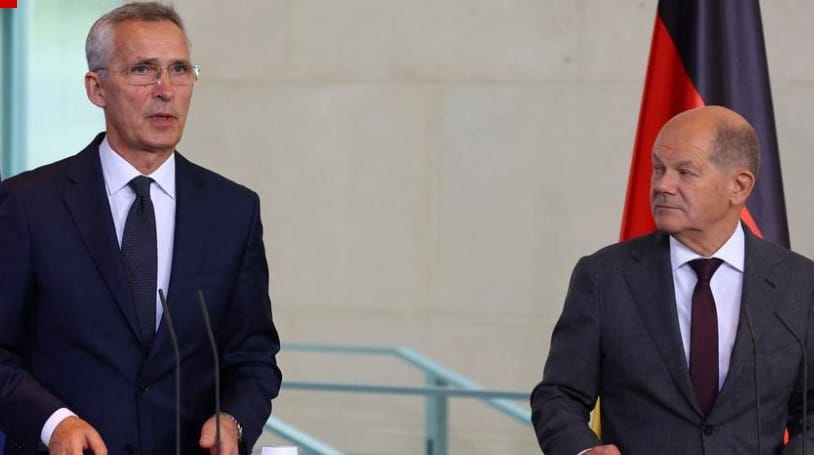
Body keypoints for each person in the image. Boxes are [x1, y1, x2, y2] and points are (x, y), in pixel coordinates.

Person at [0, 3, 281, 454]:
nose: (165, 90)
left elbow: (253, 357)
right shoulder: (29, 204)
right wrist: (54, 424)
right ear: (97, 88)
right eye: (142, 70)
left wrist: (233, 420)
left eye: (179, 69)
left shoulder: (233, 210)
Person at [530, 105, 814, 455]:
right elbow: (558, 395)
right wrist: (584, 451)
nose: (663, 185)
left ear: (739, 186)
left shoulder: (800, 285)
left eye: (685, 172)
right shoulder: (604, 277)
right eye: (658, 168)